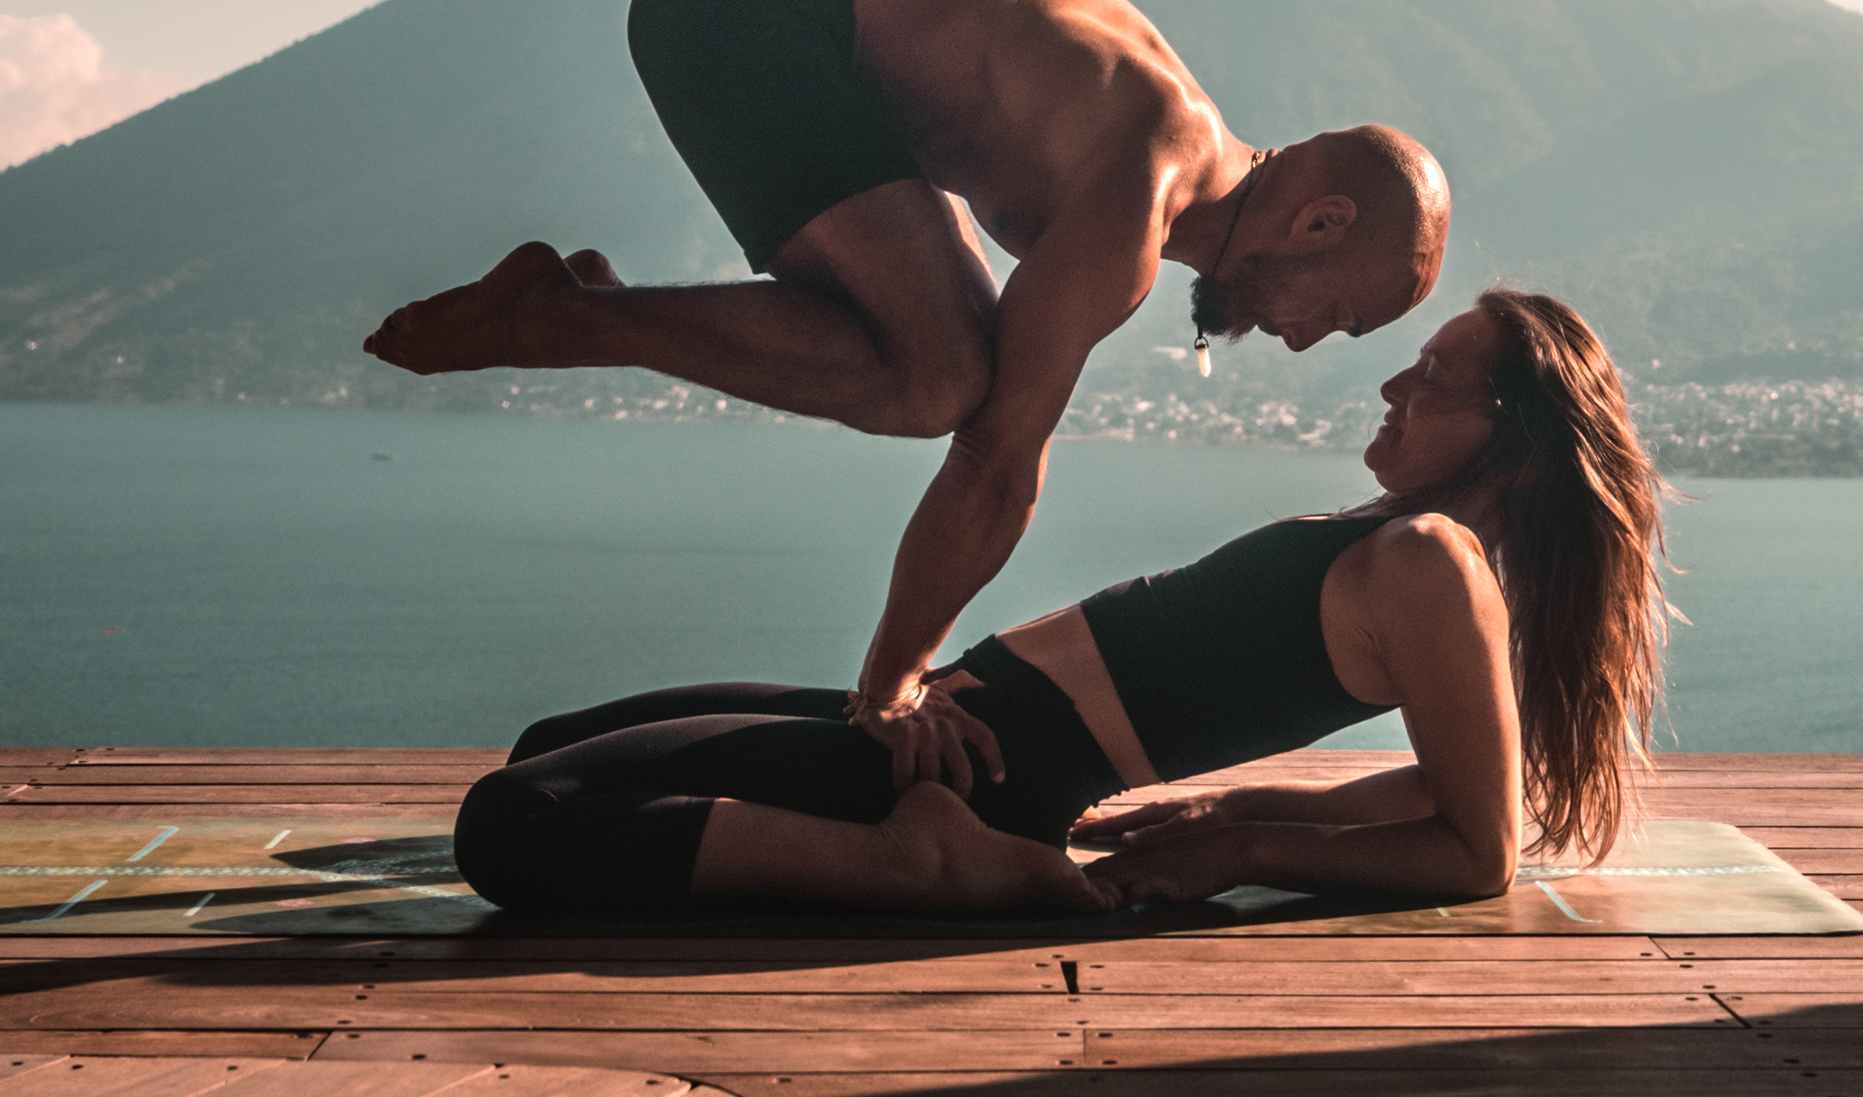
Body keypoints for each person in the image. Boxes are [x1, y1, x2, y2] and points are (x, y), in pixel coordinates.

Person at [367, 0, 1453, 794]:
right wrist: (891, 683)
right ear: (1320, 223)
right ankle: (560, 319)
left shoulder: (1156, 152)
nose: (1303, 342)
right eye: (1336, 314)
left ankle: (567, 313)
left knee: (932, 361)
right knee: (940, 373)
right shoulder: (1144, 182)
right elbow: (996, 466)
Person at [449, 287, 1668, 918]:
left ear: (1508, 435)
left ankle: (928, 869)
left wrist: (1246, 847)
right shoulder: (1418, 551)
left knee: (510, 825)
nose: (1397, 378)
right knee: (548, 751)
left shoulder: (1434, 564)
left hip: (980, 778)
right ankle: (927, 841)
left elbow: (1476, 850)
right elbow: (1458, 789)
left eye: (1438, 372)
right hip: (955, 723)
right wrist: (1242, 798)